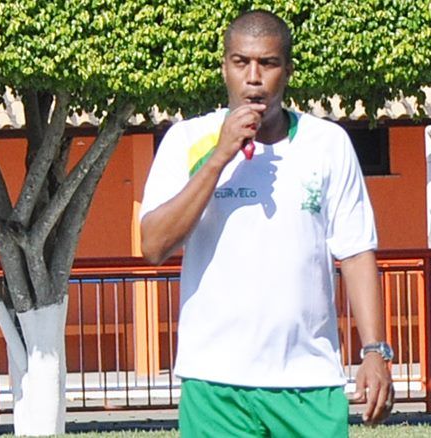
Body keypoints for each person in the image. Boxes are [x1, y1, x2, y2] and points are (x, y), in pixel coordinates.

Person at [140, 10, 393, 437]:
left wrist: (374, 351)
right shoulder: (187, 140)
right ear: (225, 68)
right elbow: (152, 245)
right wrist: (220, 156)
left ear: (287, 71)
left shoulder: (327, 144)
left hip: (308, 382)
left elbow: (354, 250)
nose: (253, 78)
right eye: (241, 62)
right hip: (215, 381)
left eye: (268, 63)